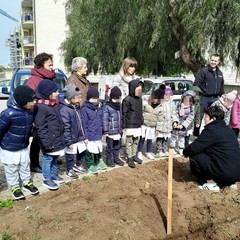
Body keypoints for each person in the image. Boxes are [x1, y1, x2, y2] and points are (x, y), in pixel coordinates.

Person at [183, 105, 240, 191]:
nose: (204, 119)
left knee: (195, 155)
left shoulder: (211, 130)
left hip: (224, 172)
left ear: (213, 119)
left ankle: (211, 183)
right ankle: (229, 183)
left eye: (206, 117)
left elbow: (194, 148)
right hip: (236, 173)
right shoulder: (229, 130)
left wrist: (185, 152)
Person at [0, 86, 39, 200]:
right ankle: (15, 186)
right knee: (11, 167)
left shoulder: (30, 111)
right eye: (31, 101)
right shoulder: (8, 114)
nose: (34, 103)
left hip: (23, 144)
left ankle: (27, 182)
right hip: (9, 146)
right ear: (23, 102)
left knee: (24, 164)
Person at [26, 52, 56, 173]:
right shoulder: (33, 80)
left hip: (50, 112)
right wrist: (32, 118)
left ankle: (51, 156)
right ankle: (34, 163)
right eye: (49, 65)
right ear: (41, 65)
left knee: (50, 136)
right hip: (39, 115)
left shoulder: (50, 78)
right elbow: (29, 101)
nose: (52, 67)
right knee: (37, 139)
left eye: (52, 65)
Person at [35, 80, 66, 190]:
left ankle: (53, 175)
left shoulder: (52, 104)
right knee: (48, 158)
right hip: (49, 140)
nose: (58, 94)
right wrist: (47, 143)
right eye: (55, 91)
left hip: (56, 138)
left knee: (54, 157)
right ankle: (46, 179)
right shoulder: (41, 107)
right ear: (47, 93)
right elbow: (41, 128)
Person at [60, 83, 88, 179]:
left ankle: (78, 165)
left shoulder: (76, 106)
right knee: (70, 155)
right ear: (70, 98)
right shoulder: (65, 110)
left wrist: (84, 136)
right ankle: (69, 169)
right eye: (78, 97)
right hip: (71, 137)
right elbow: (65, 127)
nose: (80, 99)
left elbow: (81, 122)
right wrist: (68, 141)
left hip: (79, 135)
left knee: (82, 151)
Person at [81, 87, 107, 174]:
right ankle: (89, 165)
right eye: (92, 99)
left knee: (98, 149)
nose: (94, 100)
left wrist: (103, 130)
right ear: (88, 98)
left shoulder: (100, 108)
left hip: (98, 133)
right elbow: (84, 124)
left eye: (96, 98)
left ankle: (98, 161)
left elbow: (102, 120)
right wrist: (85, 136)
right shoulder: (85, 109)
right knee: (89, 150)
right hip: (89, 135)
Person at [194, 53, 224, 119]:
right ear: (209, 60)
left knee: (214, 118)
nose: (213, 62)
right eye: (212, 60)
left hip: (215, 99)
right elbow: (196, 84)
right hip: (204, 98)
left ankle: (211, 129)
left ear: (218, 62)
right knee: (198, 117)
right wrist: (197, 96)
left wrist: (223, 95)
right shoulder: (203, 71)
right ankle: (196, 129)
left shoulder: (220, 73)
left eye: (215, 61)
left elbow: (221, 86)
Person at [137, 88, 164, 160]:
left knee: (150, 140)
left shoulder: (160, 107)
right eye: (154, 98)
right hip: (144, 125)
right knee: (142, 139)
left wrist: (158, 129)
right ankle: (139, 152)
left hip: (152, 126)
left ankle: (148, 152)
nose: (155, 100)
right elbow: (140, 112)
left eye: (157, 99)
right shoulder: (145, 104)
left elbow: (160, 119)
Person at [122, 79, 144, 168]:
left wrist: (141, 120)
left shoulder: (140, 99)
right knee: (129, 141)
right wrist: (124, 125)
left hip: (138, 124)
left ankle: (134, 155)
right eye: (137, 88)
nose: (139, 90)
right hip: (130, 124)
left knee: (136, 141)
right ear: (132, 88)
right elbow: (124, 113)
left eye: (141, 88)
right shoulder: (127, 100)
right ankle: (129, 157)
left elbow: (140, 111)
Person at [102, 86, 125, 167]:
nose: (116, 100)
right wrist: (105, 130)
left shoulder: (120, 106)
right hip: (110, 131)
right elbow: (104, 119)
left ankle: (116, 158)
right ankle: (109, 159)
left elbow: (121, 117)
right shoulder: (107, 107)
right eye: (115, 98)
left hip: (118, 130)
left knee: (117, 146)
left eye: (118, 98)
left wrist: (122, 127)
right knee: (109, 147)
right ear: (111, 98)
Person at [169, 90, 195, 156]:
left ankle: (181, 149)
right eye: (185, 100)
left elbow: (190, 118)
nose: (186, 102)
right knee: (173, 137)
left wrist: (183, 125)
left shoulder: (191, 108)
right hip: (177, 122)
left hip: (183, 125)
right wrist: (175, 121)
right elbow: (175, 113)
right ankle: (172, 148)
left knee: (181, 138)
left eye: (188, 101)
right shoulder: (179, 105)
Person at [155, 86, 177, 157]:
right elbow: (157, 114)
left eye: (169, 94)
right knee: (160, 138)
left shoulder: (172, 103)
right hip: (161, 124)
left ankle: (164, 149)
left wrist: (175, 121)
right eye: (166, 94)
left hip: (168, 124)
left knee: (166, 138)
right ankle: (159, 150)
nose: (167, 96)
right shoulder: (160, 103)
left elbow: (174, 113)